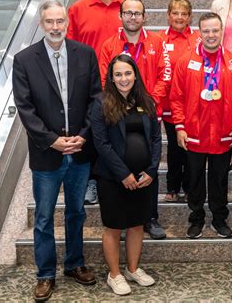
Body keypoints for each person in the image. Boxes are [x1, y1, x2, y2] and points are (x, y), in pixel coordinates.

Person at [12, 0, 100, 301]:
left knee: (76, 212)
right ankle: (45, 273)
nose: (55, 27)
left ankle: (74, 264)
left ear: (67, 22)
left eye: (60, 21)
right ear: (41, 23)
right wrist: (52, 140)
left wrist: (83, 136)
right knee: (45, 217)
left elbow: (95, 99)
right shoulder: (24, 60)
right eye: (49, 22)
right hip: (47, 153)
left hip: (79, 150)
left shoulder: (86, 55)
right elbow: (25, 108)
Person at [100, 0, 171, 239]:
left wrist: (148, 102)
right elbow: (104, 80)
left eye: (137, 13)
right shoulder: (109, 45)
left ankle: (150, 217)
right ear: (121, 16)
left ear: (145, 16)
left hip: (148, 112)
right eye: (128, 13)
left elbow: (165, 75)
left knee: (150, 161)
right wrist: (120, 104)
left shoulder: (157, 42)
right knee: (121, 160)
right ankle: (121, 217)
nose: (133, 17)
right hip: (117, 114)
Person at [91, 54, 161, 295]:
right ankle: (114, 274)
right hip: (112, 178)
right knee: (113, 226)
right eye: (118, 74)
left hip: (144, 179)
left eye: (128, 73)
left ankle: (132, 269)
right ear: (111, 77)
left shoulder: (147, 102)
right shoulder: (101, 103)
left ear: (135, 75)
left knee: (136, 225)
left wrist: (152, 169)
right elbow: (101, 143)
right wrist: (123, 174)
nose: (123, 78)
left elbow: (155, 139)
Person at [170, 12, 232, 239]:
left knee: (220, 179)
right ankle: (196, 218)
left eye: (215, 30)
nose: (211, 35)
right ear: (200, 33)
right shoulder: (185, 61)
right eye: (206, 31)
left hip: (223, 132)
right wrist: (179, 126)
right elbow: (177, 96)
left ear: (222, 32)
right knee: (195, 178)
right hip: (194, 132)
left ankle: (219, 218)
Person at [67, 0, 125, 206]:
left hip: (122, 82)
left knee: (121, 133)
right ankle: (91, 181)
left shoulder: (127, 7)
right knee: (91, 131)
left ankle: (122, 177)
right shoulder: (78, 9)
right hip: (88, 83)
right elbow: (70, 48)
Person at [158, 0, 201, 202]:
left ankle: (189, 185)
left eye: (184, 14)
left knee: (192, 146)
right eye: (175, 13)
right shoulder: (159, 40)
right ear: (168, 15)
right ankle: (173, 185)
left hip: (195, 104)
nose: (179, 17)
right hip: (169, 103)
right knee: (176, 145)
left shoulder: (199, 38)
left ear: (190, 17)